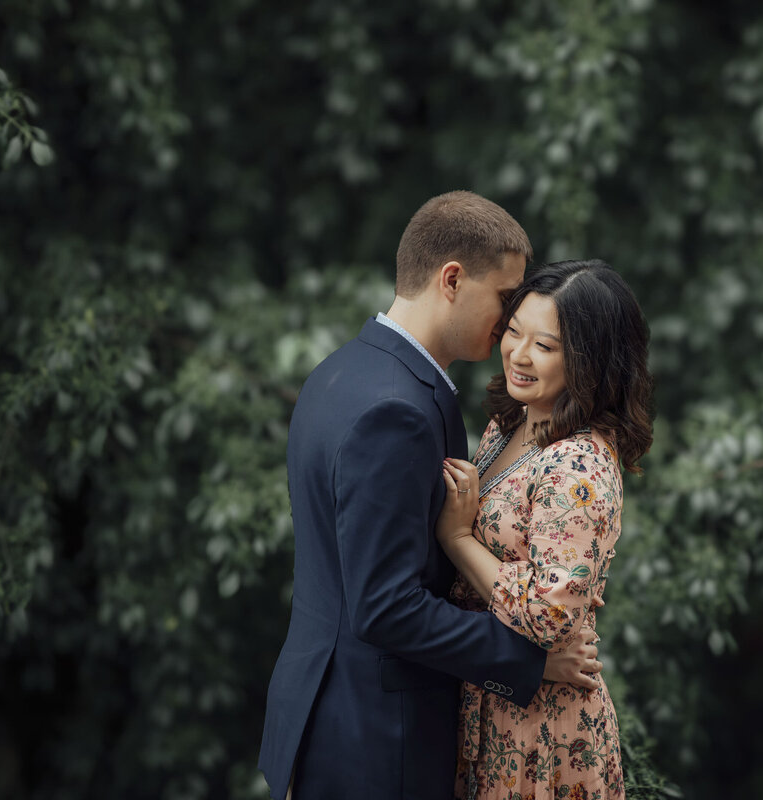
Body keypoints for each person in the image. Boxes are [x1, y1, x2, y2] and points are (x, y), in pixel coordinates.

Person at [257, 193, 605, 800]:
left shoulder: (342, 370)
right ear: (451, 280)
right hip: (373, 738)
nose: (508, 321)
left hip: (325, 713)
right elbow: (385, 606)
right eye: (504, 298)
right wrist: (530, 663)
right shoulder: (398, 411)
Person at [436, 259, 654, 800]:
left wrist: (458, 540)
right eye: (514, 332)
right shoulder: (507, 424)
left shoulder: (578, 464)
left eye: (546, 346)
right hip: (493, 697)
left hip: (542, 729)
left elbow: (549, 614)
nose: (519, 355)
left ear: (591, 361)